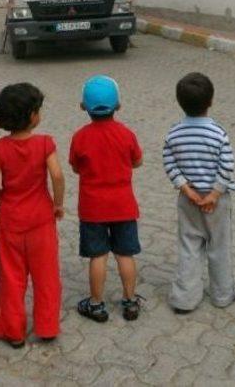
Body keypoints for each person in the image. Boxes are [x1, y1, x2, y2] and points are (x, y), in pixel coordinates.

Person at [0, 83, 64, 347]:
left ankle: (13, 331)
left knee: (11, 277)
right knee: (46, 275)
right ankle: (48, 327)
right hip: (41, 219)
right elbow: (58, 175)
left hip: (10, 220)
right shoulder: (44, 143)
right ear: (32, 115)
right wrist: (58, 204)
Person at [69, 75, 143, 323]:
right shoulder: (126, 134)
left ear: (83, 107)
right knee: (125, 254)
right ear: (118, 106)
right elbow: (137, 161)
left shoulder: (80, 137)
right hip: (123, 206)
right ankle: (130, 301)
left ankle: (97, 304)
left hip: (92, 208)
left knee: (98, 256)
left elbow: (76, 168)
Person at [162, 72, 235, 314]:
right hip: (217, 201)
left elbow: (169, 162)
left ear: (180, 102)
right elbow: (227, 165)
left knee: (189, 246)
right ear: (211, 101)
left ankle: (184, 299)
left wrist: (188, 190)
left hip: (188, 200)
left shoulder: (174, 133)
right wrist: (214, 195)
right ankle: (223, 295)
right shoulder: (218, 133)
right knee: (219, 246)